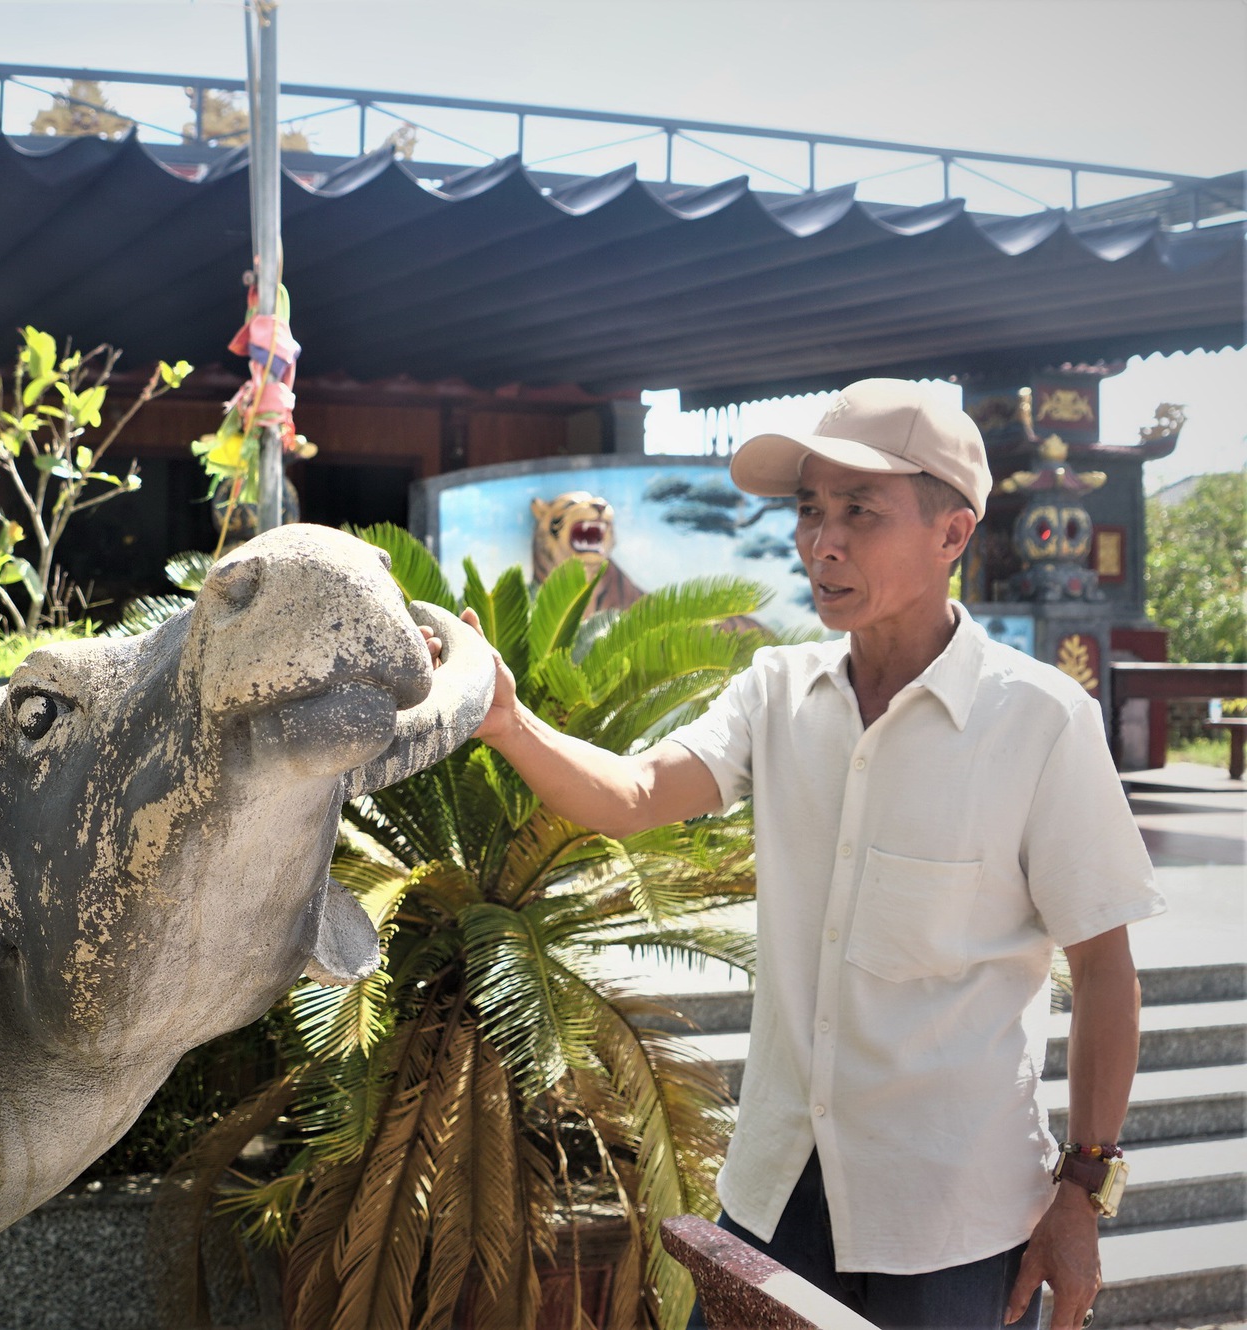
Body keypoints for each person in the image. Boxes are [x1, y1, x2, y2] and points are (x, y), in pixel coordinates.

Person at [429, 379, 1161, 1330]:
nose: (824, 542)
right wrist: (509, 721)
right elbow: (637, 793)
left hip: (957, 1232)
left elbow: (1105, 970)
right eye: (811, 510)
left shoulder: (1041, 721)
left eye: (862, 511)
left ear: (953, 534)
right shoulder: (776, 690)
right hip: (774, 1203)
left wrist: (1084, 1191)